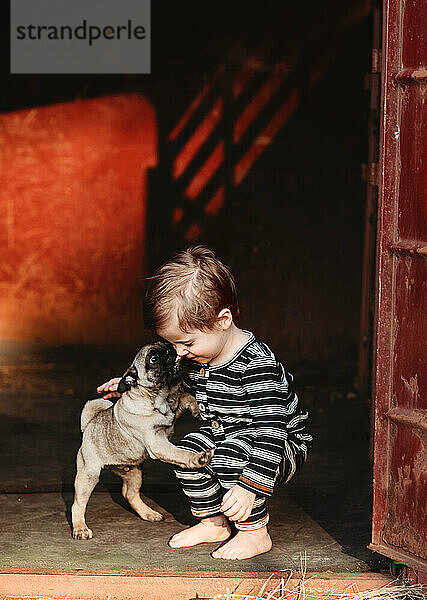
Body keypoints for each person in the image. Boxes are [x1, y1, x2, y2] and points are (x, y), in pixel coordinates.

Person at [98, 245, 312, 560]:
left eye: (186, 342)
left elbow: (271, 430)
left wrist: (250, 487)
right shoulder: (199, 357)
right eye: (172, 344)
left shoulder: (256, 364)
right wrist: (130, 386)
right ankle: (214, 522)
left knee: (226, 456)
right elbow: (170, 384)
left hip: (279, 445)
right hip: (228, 436)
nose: (180, 352)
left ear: (223, 319)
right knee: (188, 452)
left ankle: (255, 532)